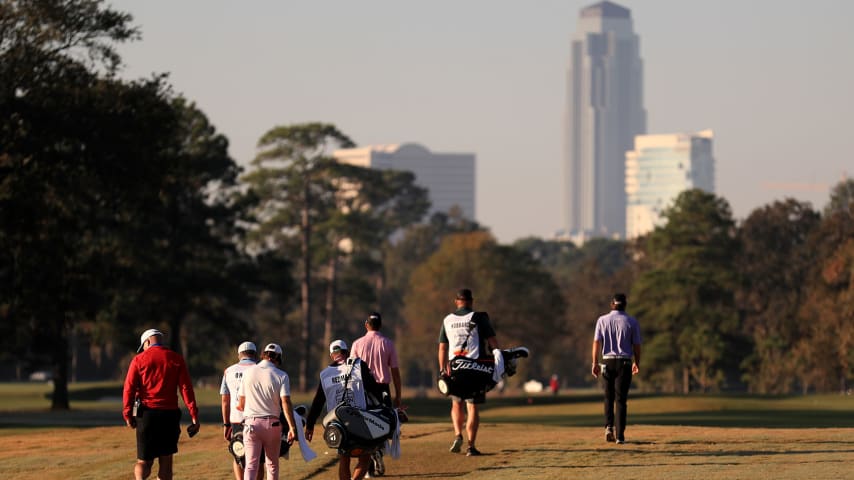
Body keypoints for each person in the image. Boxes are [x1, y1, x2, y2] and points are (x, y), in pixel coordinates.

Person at [123, 328, 200, 480]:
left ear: (147, 342)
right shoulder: (176, 358)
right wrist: (194, 415)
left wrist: (127, 414)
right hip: (169, 414)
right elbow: (186, 388)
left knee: (144, 461)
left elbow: (129, 388)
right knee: (166, 463)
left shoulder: (139, 360)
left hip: (146, 414)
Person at [305, 340, 386, 480]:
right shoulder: (358, 365)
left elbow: (318, 401)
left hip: (337, 423)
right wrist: (384, 406)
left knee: (344, 458)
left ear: (332, 355)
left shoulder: (325, 374)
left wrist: (310, 425)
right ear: (347, 352)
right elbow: (374, 390)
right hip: (360, 419)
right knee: (365, 457)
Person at [437, 288, 499, 456]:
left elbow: (442, 348)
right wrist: (499, 359)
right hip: (475, 369)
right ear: (471, 301)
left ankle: (458, 434)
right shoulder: (479, 318)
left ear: (456, 301)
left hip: (454, 370)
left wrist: (443, 370)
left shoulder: (447, 320)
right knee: (472, 407)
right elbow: (492, 342)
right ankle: (471, 446)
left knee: (456, 404)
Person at [350, 311, 402, 476]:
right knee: (383, 424)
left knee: (365, 426)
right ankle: (377, 451)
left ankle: (369, 468)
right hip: (382, 389)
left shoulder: (357, 344)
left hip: (362, 390)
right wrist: (398, 394)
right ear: (380, 325)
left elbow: (351, 370)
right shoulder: (387, 343)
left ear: (366, 325)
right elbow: (395, 371)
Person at [236, 343, 297, 480]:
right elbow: (285, 402)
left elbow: (241, 404)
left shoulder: (248, 373)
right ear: (278, 358)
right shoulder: (282, 375)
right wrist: (292, 427)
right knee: (272, 465)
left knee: (251, 465)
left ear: (264, 354)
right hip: (272, 425)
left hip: (251, 424)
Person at [591, 293, 642, 445]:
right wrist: (637, 362)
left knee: (608, 397)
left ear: (612, 304)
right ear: (625, 305)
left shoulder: (602, 320)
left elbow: (596, 343)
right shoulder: (632, 321)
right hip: (624, 363)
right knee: (620, 400)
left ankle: (608, 427)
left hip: (607, 362)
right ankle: (620, 436)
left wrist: (594, 363)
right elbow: (637, 346)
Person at [220, 341, 263, 480]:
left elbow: (225, 400)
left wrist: (226, 424)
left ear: (239, 355)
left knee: (238, 454)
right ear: (255, 354)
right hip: (257, 419)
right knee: (258, 459)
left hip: (236, 420)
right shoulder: (261, 369)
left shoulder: (229, 371)